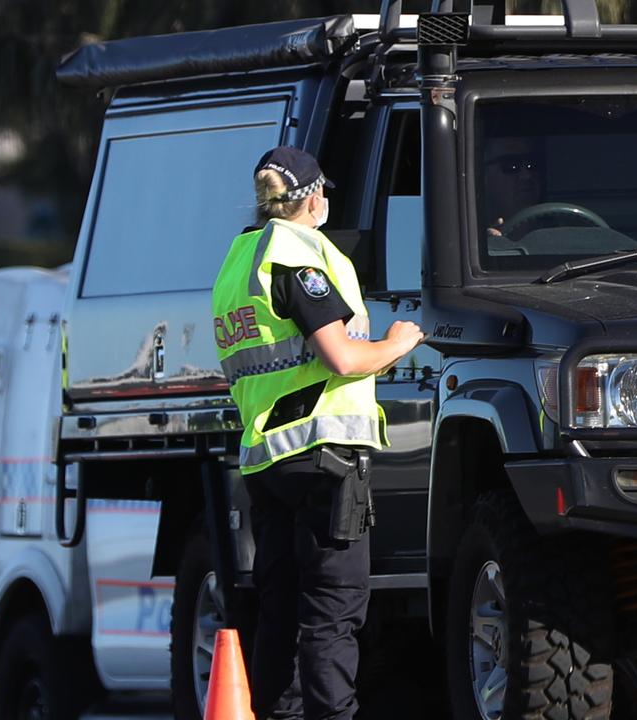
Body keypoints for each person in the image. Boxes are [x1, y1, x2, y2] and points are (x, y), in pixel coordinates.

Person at [211, 147, 424, 720]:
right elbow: (342, 358)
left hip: (266, 462)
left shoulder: (238, 260)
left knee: (279, 610)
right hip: (323, 457)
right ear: (311, 196)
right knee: (333, 609)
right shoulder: (299, 256)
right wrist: (398, 343)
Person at [483, 135, 545, 238]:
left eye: (532, 163)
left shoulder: (567, 229)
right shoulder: (470, 237)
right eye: (511, 165)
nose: (527, 175)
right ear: (484, 175)